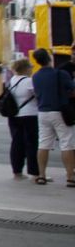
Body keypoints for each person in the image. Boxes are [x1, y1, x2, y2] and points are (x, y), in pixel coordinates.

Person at [30, 48, 75, 186]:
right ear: (49, 57)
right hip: (59, 111)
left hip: (43, 112)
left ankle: (42, 175)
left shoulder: (35, 76)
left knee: (43, 144)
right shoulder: (60, 74)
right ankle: (70, 177)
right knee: (67, 143)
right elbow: (72, 88)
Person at [3, 58, 39, 180]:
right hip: (30, 115)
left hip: (14, 115)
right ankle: (34, 172)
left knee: (17, 143)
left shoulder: (12, 80)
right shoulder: (29, 81)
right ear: (26, 68)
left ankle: (17, 171)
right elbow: (38, 96)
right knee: (31, 144)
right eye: (30, 67)